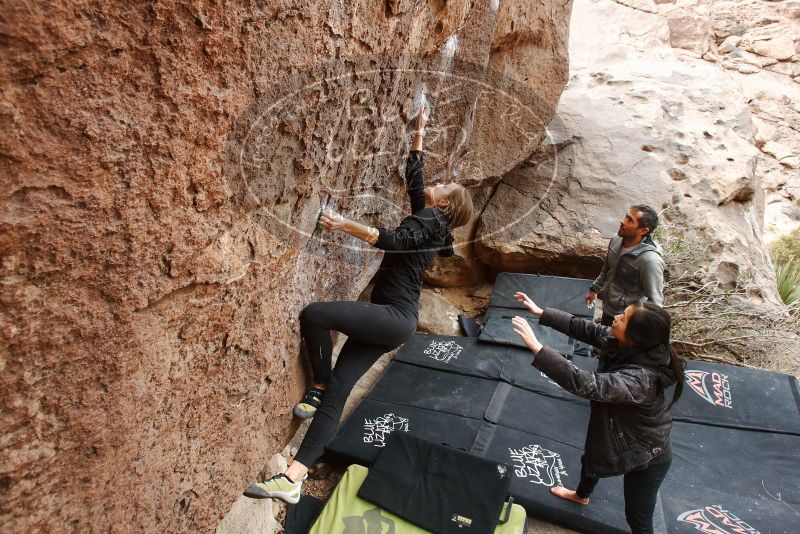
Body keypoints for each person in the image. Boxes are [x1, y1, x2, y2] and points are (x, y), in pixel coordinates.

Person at [243, 107, 473, 503]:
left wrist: (342, 223)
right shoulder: (431, 220)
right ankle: (293, 479)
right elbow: (414, 179)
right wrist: (419, 131)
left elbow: (394, 241)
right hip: (394, 322)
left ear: (447, 205)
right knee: (340, 391)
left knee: (315, 314)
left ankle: (316, 384)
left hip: (393, 318)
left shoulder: (426, 225)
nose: (439, 183)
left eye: (446, 185)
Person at [511, 292, 684, 534]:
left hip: (648, 454)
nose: (616, 318)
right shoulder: (622, 341)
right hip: (618, 430)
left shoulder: (641, 380)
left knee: (638, 518)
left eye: (623, 318)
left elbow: (588, 384)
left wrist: (538, 348)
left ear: (636, 338)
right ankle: (581, 496)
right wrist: (542, 313)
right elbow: (585, 329)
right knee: (592, 459)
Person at [585, 206, 665, 326]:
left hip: (627, 322)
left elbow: (655, 303)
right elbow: (607, 268)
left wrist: (637, 328)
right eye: (626, 216)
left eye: (630, 220)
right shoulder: (616, 240)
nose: (622, 221)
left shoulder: (650, 261)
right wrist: (594, 289)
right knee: (604, 343)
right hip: (608, 311)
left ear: (643, 231)